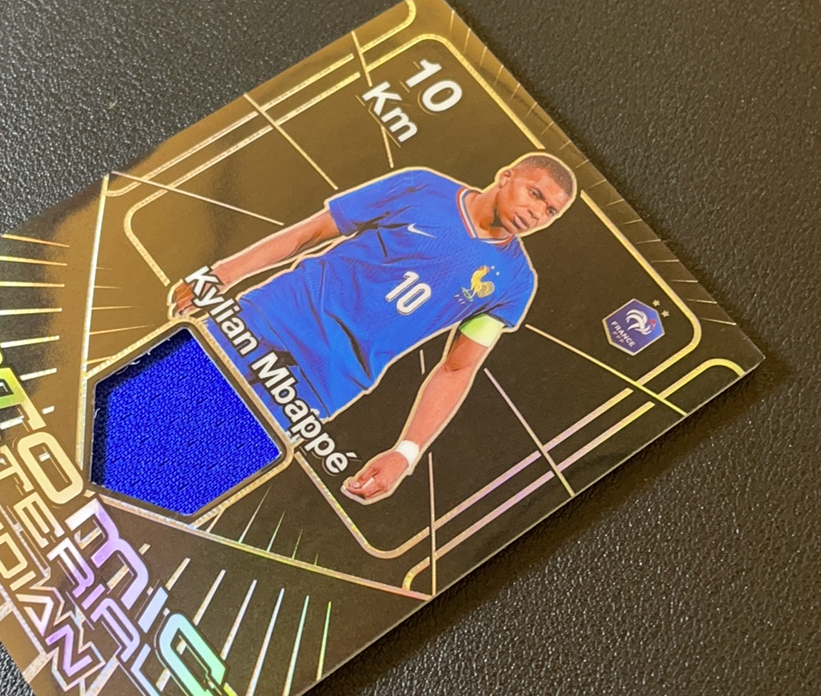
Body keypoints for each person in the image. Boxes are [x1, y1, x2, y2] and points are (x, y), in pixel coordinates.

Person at [170, 154, 576, 505]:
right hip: (270, 318)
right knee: (157, 402)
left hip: (323, 382)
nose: (536, 212)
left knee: (195, 474)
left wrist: (406, 453)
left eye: (550, 211)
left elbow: (457, 369)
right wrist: (221, 274)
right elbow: (312, 232)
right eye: (534, 193)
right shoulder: (421, 186)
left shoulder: (515, 283)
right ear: (506, 176)